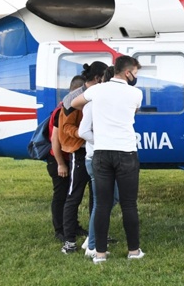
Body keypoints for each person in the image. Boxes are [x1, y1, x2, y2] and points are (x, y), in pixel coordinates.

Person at [72, 55, 144, 263]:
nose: (135, 77)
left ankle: (100, 254)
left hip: (101, 153)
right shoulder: (135, 93)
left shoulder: (97, 90)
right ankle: (133, 251)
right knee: (129, 204)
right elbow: (134, 110)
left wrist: (99, 108)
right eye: (135, 73)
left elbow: (74, 103)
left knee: (102, 204)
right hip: (126, 152)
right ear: (128, 72)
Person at [59, 61, 108, 254]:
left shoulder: (101, 94)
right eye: (106, 77)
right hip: (80, 153)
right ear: (98, 78)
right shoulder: (72, 99)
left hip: (98, 151)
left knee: (97, 197)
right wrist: (85, 133)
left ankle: (94, 236)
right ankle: (69, 240)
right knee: (74, 196)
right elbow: (65, 128)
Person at [78, 66, 121, 258]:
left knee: (112, 198)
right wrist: (103, 141)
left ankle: (91, 239)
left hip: (108, 157)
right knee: (102, 202)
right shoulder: (92, 103)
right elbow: (83, 131)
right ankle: (92, 246)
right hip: (96, 158)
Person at [46, 75, 84, 243]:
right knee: (61, 196)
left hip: (71, 158)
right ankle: (60, 229)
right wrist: (61, 164)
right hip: (59, 160)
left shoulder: (73, 108)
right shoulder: (61, 111)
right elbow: (55, 140)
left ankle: (73, 226)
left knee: (71, 195)